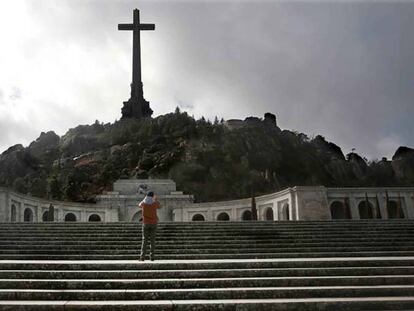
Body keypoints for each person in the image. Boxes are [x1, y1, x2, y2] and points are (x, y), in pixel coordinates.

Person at [138, 191, 161, 261]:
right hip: (153, 223)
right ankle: (152, 257)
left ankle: (142, 257)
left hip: (146, 223)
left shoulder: (144, 203)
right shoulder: (154, 203)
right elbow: (159, 206)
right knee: (152, 240)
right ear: (152, 196)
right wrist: (155, 199)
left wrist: (145, 199)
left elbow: (139, 205)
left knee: (144, 240)